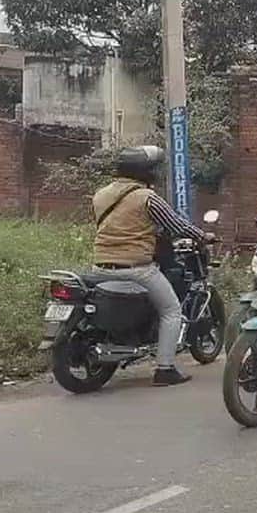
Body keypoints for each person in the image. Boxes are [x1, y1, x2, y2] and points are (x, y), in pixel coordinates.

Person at [90, 145, 213, 387]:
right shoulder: (147, 197)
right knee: (171, 310)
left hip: (100, 266)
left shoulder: (101, 194)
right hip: (136, 268)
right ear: (145, 172)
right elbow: (177, 225)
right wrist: (203, 236)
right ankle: (165, 369)